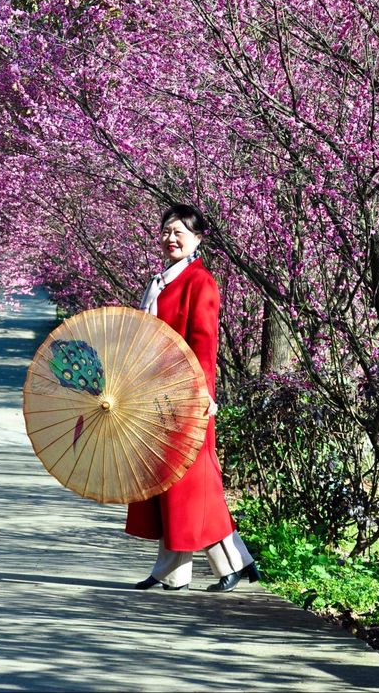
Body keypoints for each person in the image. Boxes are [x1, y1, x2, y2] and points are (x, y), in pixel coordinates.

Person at [126, 202, 260, 592]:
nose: (171, 239)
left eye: (179, 232)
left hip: (187, 398)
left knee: (190, 482)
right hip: (157, 396)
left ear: (198, 239)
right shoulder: (161, 281)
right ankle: (206, 567)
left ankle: (219, 564)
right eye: (166, 231)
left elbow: (204, 345)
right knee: (175, 483)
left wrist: (199, 394)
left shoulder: (200, 282)